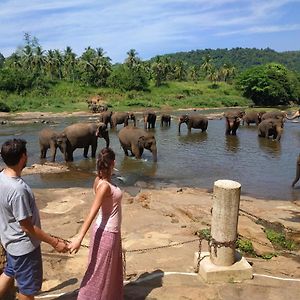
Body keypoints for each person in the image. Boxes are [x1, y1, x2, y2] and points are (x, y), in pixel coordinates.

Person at [0, 138, 68, 300]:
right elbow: (27, 226)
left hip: (9, 241)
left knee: (9, 272)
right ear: (23, 157)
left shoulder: (2, 176)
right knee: (28, 289)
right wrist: (54, 242)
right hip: (24, 248)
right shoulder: (18, 189)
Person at [68, 147, 123, 300]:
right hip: (107, 233)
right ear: (113, 162)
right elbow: (92, 212)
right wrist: (79, 238)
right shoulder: (104, 186)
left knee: (109, 271)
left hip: (110, 231)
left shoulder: (99, 181)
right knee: (99, 272)